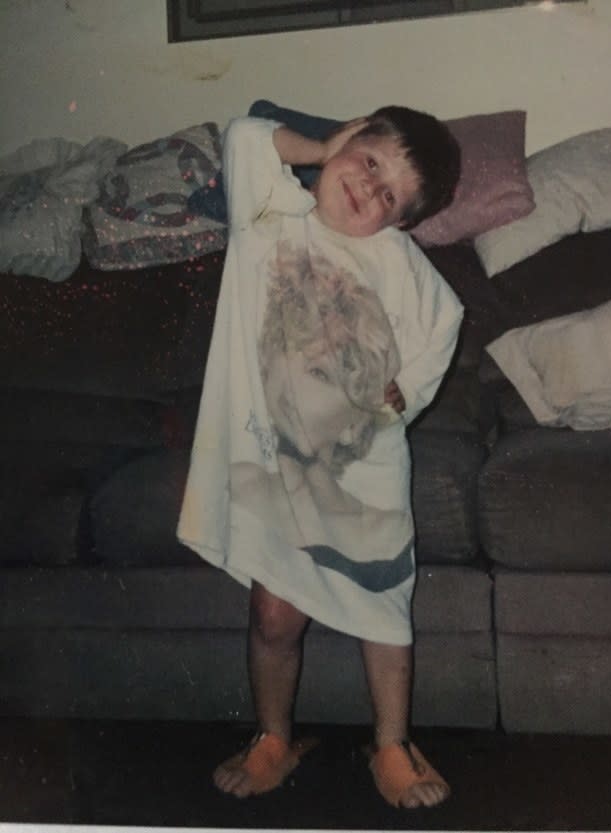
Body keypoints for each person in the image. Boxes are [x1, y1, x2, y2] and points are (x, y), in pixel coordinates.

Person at [177, 106, 463, 809]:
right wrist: (316, 145)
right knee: (273, 615)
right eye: (368, 162)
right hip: (276, 471)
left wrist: (406, 393)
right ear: (348, 140)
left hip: (363, 476)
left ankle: (391, 745)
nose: (368, 188)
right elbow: (244, 133)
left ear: (397, 222)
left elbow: (445, 320)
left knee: (382, 616)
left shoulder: (399, 264)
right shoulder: (271, 211)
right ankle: (273, 736)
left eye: (388, 195)